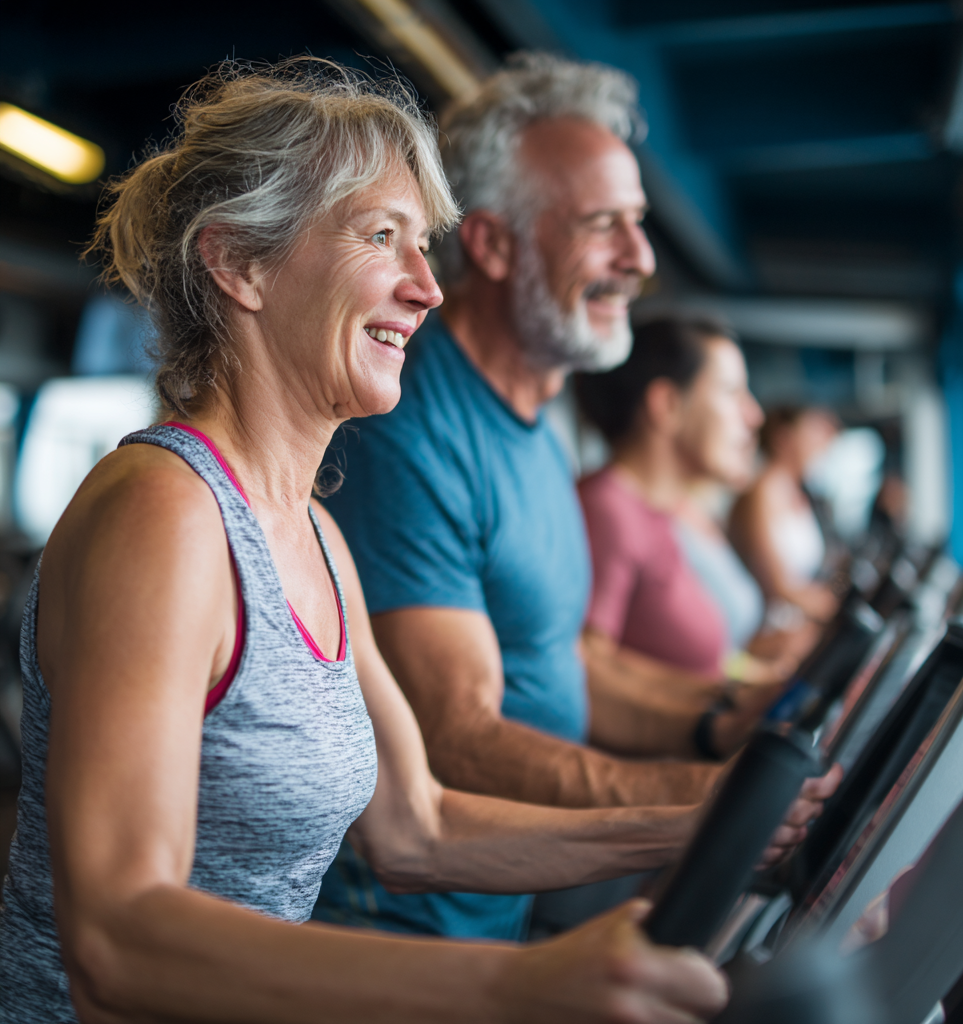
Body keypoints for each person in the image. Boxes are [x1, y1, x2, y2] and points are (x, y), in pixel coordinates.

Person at [0, 59, 747, 1023]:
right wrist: (519, 986)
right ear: (241, 265)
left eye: (425, 246)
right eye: (383, 237)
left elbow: (416, 826)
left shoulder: (314, 533)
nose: (429, 288)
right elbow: (117, 932)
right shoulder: (164, 514)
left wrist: (697, 825)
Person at [317, 53, 840, 940]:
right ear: (490, 244)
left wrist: (717, 718)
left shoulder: (540, 415)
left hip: (499, 910)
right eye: (603, 226)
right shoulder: (409, 428)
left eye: (636, 223)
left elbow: (560, 659)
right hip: (400, 936)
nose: (638, 259)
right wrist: (706, 796)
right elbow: (459, 736)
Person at [574, 315, 810, 694]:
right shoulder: (607, 509)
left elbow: (700, 661)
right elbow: (589, 672)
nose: (754, 416)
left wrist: (762, 676)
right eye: (732, 393)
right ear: (667, 404)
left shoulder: (661, 511)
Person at [729, 405, 841, 625]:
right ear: (784, 438)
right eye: (811, 433)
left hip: (799, 623)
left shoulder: (800, 494)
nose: (820, 445)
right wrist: (832, 609)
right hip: (769, 630)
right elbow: (778, 585)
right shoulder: (760, 493)